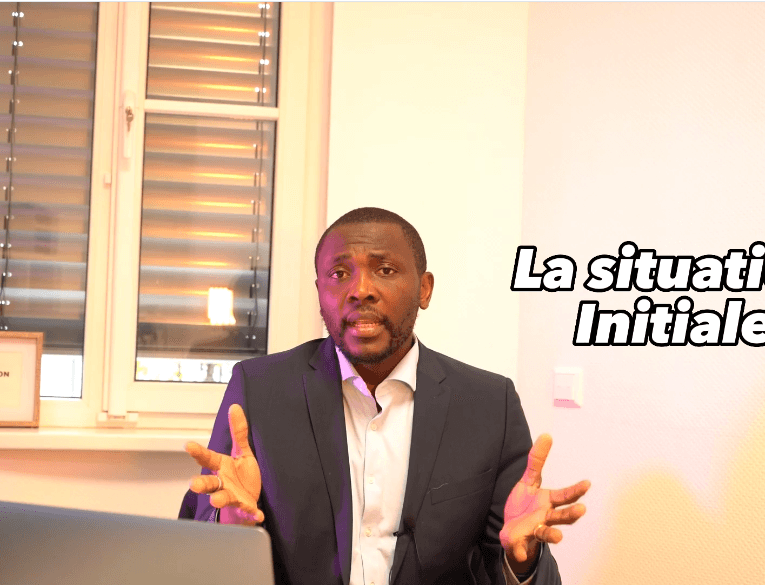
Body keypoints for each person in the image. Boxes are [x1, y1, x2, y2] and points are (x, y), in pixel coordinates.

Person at [182, 207, 590, 585]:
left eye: (385, 270)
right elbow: (198, 547)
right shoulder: (260, 389)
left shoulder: (487, 405)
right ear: (320, 292)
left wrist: (522, 559)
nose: (360, 290)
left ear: (424, 290)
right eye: (339, 274)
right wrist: (230, 522)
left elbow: (516, 561)